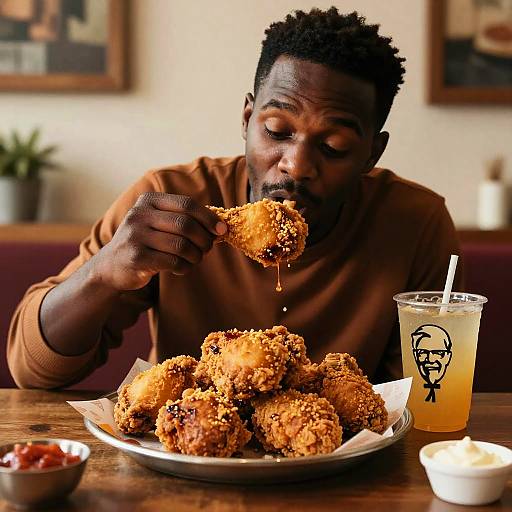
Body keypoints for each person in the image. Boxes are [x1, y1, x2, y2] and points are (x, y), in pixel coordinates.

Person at [7, 8, 462, 389]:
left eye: (334, 147)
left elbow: (422, 395)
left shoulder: (415, 222)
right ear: (247, 119)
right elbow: (31, 370)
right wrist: (104, 272)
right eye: (276, 131)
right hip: (184, 457)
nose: (296, 165)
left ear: (372, 154)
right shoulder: (168, 198)